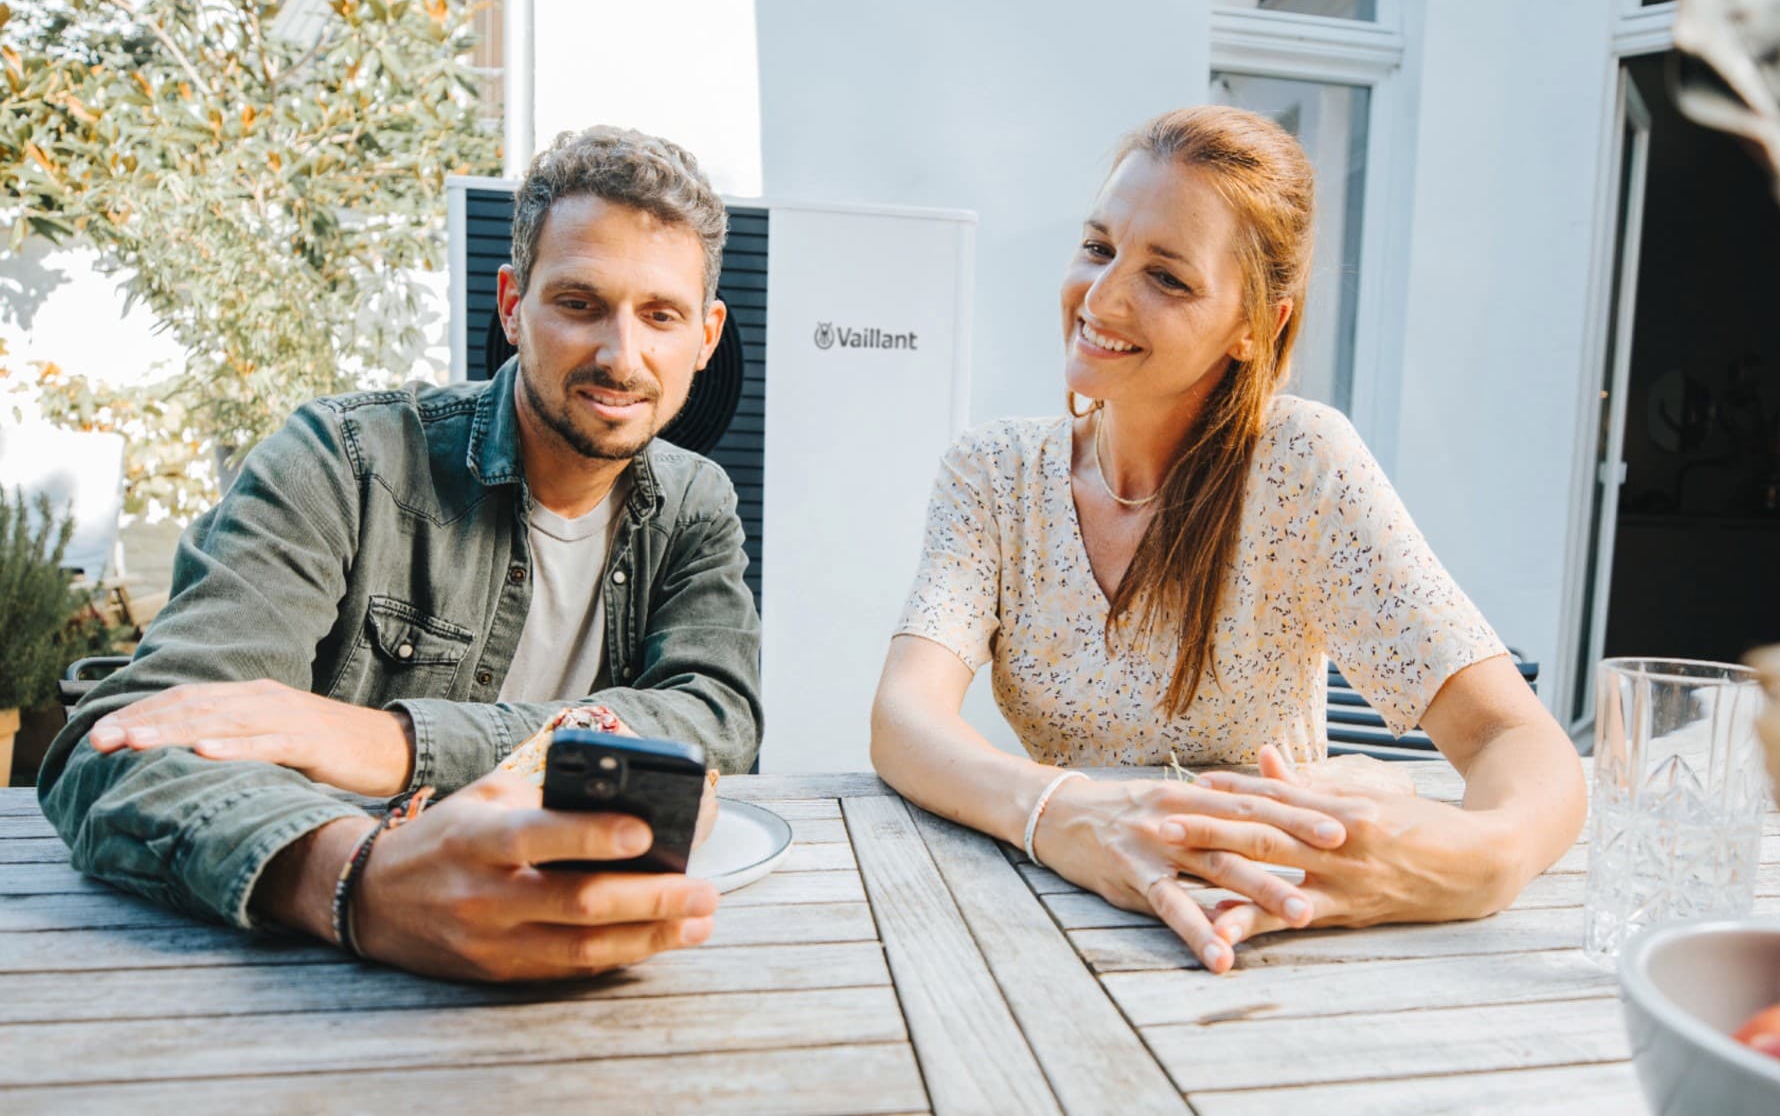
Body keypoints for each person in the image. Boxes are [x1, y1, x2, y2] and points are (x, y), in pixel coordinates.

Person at [869, 105, 1586, 974]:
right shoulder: (991, 473)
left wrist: (1482, 862)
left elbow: (1518, 741)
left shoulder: (1301, 466)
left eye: (1167, 278)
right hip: (1060, 916)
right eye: (1099, 247)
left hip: (1272, 928)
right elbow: (904, 718)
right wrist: (1061, 815)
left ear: (1258, 325)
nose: (1101, 298)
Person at [38, 125, 763, 981]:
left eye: (660, 316)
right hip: (298, 980)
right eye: (578, 303)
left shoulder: (695, 502)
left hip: (610, 966)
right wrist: (357, 884)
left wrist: (396, 743)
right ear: (511, 303)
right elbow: (120, 749)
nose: (620, 354)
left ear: (706, 337)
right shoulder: (343, 461)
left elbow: (716, 720)